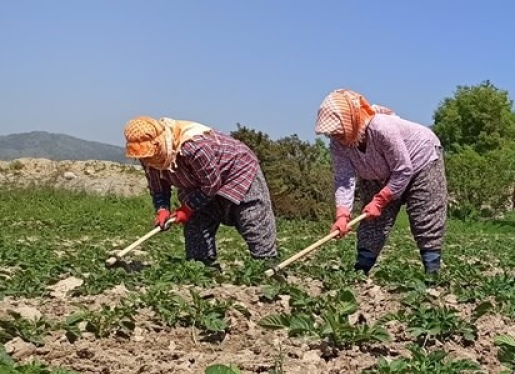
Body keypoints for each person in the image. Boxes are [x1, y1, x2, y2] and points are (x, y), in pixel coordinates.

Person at [314, 89, 448, 275]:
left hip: (421, 161)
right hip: (378, 172)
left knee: (425, 213)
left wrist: (380, 199)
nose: (336, 137)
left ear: (350, 119)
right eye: (332, 134)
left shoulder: (381, 128)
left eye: (338, 132)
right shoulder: (338, 144)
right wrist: (342, 215)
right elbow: (344, 178)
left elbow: (403, 169)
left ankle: (432, 270)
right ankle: (361, 270)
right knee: (372, 220)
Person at [124, 117, 278, 268]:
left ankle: (266, 264)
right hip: (198, 184)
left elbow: (211, 184)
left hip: (237, 170)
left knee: (252, 217)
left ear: (159, 143)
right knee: (197, 223)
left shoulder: (193, 146)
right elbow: (158, 186)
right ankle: (200, 266)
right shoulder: (148, 159)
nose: (149, 161)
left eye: (151, 155)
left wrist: (187, 208)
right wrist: (162, 208)